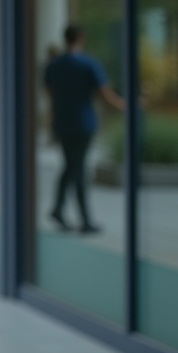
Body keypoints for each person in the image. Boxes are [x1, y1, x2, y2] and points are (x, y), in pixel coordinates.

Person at [43, 24, 125, 234]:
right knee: (77, 168)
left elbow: (50, 94)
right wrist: (125, 106)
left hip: (62, 123)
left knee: (70, 166)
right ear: (81, 37)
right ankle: (84, 219)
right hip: (82, 123)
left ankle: (58, 209)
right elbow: (104, 94)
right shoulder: (88, 64)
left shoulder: (54, 66)